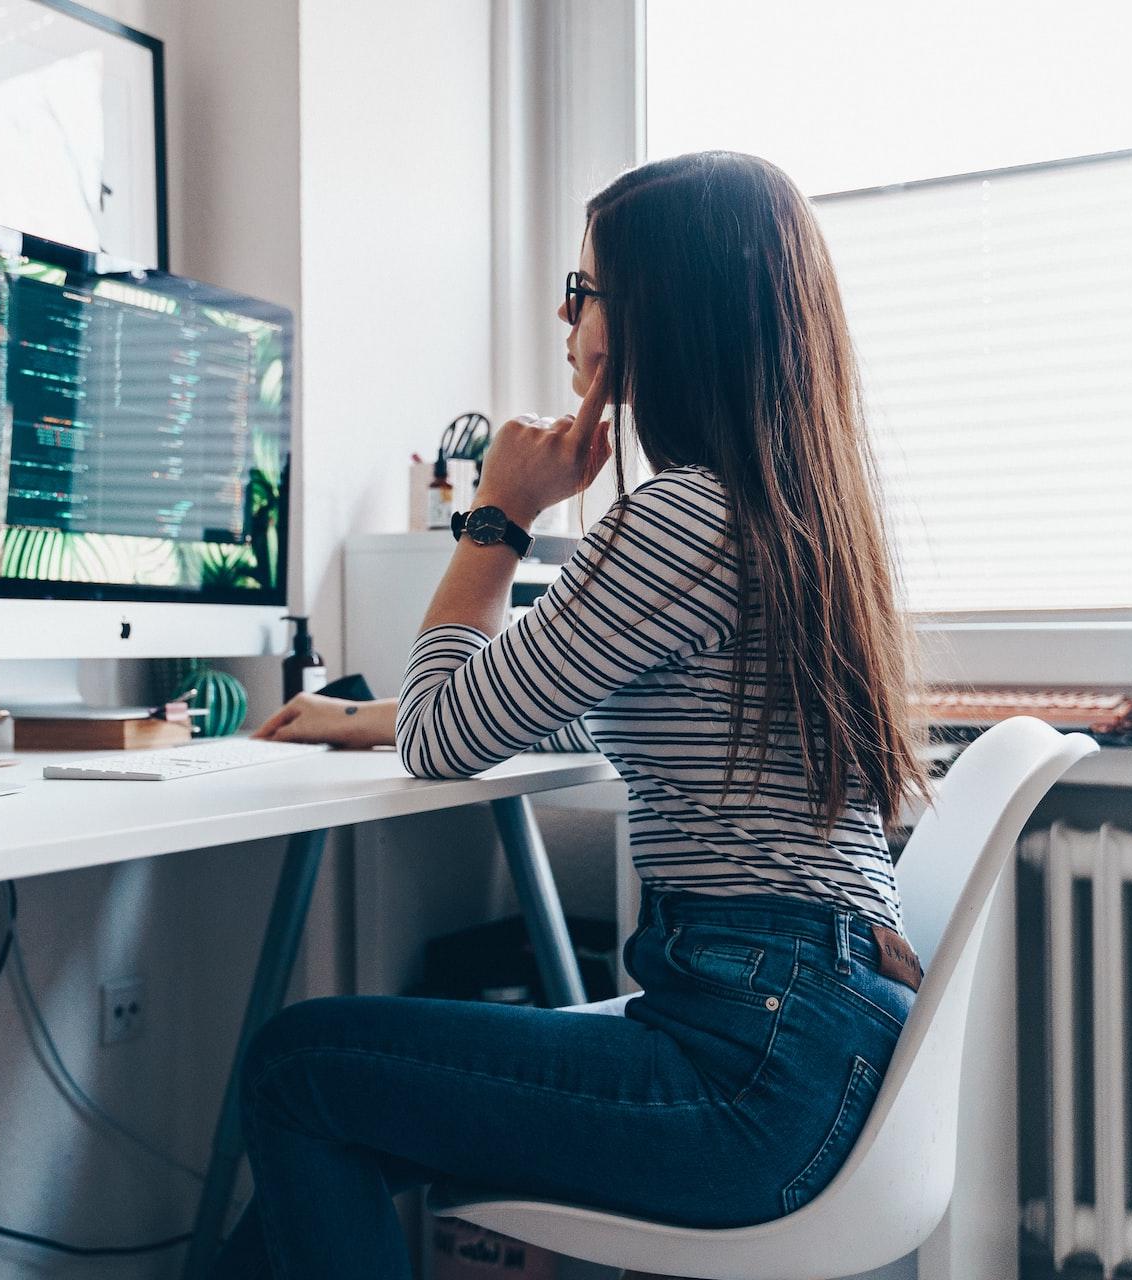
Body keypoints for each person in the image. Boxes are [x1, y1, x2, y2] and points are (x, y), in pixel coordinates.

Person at [214, 151, 929, 1280]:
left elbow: (448, 740)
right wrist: (375, 715)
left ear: (657, 309)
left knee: (300, 1069)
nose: (564, 312)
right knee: (338, 1092)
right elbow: (575, 698)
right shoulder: (786, 508)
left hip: (752, 1067)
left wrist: (498, 513)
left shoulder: (682, 517)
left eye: (584, 286)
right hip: (820, 1035)